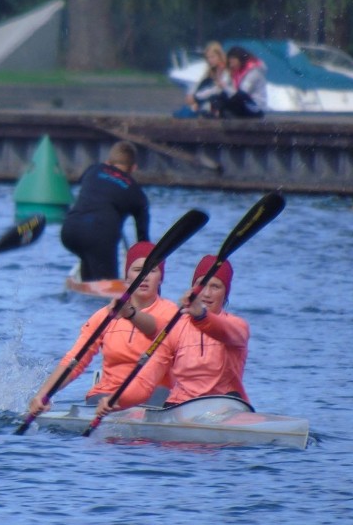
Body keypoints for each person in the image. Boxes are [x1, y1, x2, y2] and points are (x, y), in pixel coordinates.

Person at [27, 242, 177, 418]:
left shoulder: (173, 314)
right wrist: (43, 394)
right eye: (137, 270)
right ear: (127, 277)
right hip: (106, 398)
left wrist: (130, 314)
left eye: (151, 271)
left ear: (161, 278)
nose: (144, 276)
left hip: (154, 396)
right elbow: (75, 360)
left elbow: (156, 329)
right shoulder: (103, 316)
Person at [95, 255, 250, 419]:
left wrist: (201, 316)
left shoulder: (238, 327)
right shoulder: (175, 328)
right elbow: (146, 381)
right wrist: (118, 400)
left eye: (216, 287)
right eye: (201, 285)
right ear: (192, 289)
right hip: (180, 409)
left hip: (225, 408)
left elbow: (223, 331)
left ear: (226, 293)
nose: (206, 293)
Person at [60, 141, 150, 282]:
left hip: (70, 231)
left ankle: (85, 284)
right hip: (99, 236)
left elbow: (83, 182)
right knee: (107, 286)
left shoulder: (93, 169)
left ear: (108, 162)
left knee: (90, 262)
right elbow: (143, 239)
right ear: (133, 168)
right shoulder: (138, 194)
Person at [174, 41, 231, 118]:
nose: (210, 60)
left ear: (219, 56)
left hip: (218, 103)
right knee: (181, 114)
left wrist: (195, 98)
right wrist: (192, 96)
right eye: (208, 58)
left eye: (212, 57)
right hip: (205, 102)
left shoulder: (225, 71)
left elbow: (217, 90)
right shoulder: (211, 72)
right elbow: (201, 87)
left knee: (185, 114)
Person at [212, 46, 267, 118]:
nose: (231, 65)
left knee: (238, 96)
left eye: (233, 61)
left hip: (255, 107)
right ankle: (217, 115)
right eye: (230, 62)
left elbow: (243, 92)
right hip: (244, 104)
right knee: (220, 97)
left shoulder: (254, 71)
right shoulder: (236, 72)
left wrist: (225, 86)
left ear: (241, 60)